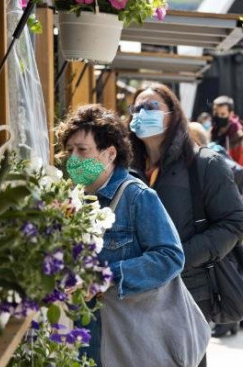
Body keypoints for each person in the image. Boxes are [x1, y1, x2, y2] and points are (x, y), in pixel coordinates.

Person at [58, 105, 185, 366]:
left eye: (82, 150)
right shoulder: (69, 198)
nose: (74, 158)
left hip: (128, 334)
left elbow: (170, 257)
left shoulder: (137, 196)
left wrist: (106, 276)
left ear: (109, 154)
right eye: (70, 150)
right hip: (82, 331)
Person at [128, 84, 243, 348]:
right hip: (137, 288)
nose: (140, 113)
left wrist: (180, 257)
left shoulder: (205, 164)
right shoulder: (128, 169)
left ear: (172, 115)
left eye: (150, 107)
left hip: (189, 288)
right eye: (136, 108)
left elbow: (235, 223)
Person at [211, 95, 243, 172]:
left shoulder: (239, 138)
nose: (218, 117)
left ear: (231, 114)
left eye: (222, 114)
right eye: (216, 114)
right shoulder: (212, 132)